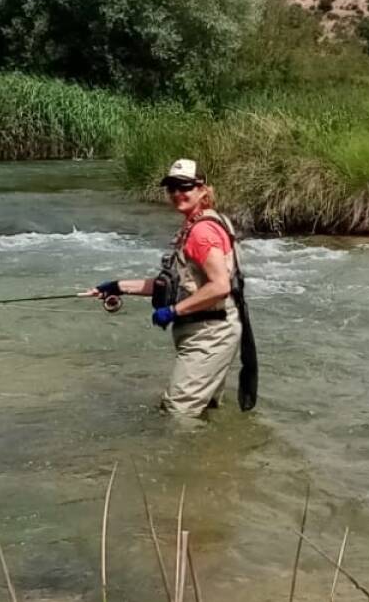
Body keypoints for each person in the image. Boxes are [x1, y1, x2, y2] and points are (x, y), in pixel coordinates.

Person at [87, 159, 257, 417]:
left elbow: (220, 286)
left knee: (177, 413)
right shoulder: (198, 224)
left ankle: (187, 455)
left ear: (202, 189)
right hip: (209, 328)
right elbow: (175, 285)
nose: (177, 193)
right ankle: (218, 454)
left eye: (184, 186)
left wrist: (173, 311)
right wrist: (118, 286)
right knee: (206, 409)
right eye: (171, 188)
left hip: (210, 333)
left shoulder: (201, 232)